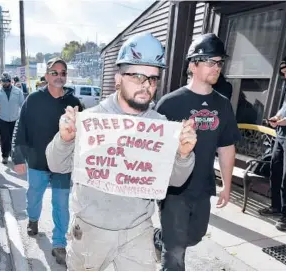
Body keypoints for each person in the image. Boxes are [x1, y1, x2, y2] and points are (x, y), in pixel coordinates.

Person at [45, 32, 197, 271]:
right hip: (90, 231)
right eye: (137, 76)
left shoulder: (161, 127)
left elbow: (176, 180)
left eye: (153, 79)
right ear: (118, 78)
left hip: (138, 231)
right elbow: (56, 165)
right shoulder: (91, 120)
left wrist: (184, 155)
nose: (146, 85)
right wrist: (64, 139)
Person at [152, 33, 241, 271]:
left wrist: (227, 184)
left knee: (194, 237)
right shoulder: (170, 103)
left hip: (203, 187)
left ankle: (161, 238)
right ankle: (168, 243)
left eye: (220, 63)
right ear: (193, 64)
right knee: (176, 253)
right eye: (211, 61)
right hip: (174, 190)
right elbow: (153, 147)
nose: (217, 67)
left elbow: (226, 146)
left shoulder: (222, 104)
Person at [12, 57, 83, 266]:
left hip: (63, 164)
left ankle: (59, 243)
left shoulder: (74, 103)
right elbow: (20, 128)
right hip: (37, 161)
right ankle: (33, 219)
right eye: (55, 72)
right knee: (34, 195)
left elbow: (84, 134)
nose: (59, 76)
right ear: (46, 76)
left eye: (63, 73)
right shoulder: (33, 100)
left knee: (61, 203)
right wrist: (18, 157)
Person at [258, 53, 286, 231]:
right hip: (281, 133)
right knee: (275, 171)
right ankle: (276, 206)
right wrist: (277, 116)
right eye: (284, 73)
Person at [0, 72, 25, 164]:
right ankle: (5, 156)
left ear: (10, 81)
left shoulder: (18, 91)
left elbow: (22, 105)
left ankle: (14, 154)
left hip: (15, 118)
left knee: (14, 138)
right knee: (4, 138)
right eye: (3, 81)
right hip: (3, 118)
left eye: (7, 81)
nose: (5, 83)